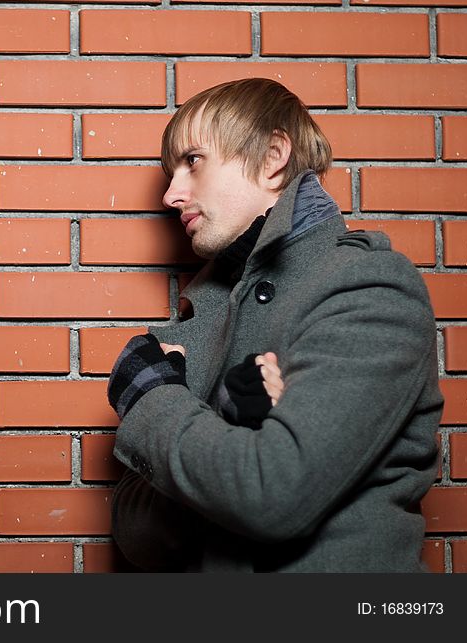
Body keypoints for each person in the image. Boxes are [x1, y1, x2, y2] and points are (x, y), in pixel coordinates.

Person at [107, 78, 442, 572]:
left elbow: (274, 497)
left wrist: (154, 400)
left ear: (271, 157)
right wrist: (224, 429)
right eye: (169, 172)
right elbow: (140, 539)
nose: (172, 194)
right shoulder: (198, 320)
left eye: (193, 161)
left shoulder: (367, 285)